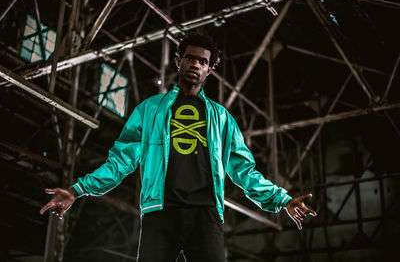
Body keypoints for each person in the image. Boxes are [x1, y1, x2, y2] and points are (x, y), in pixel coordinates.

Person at [40, 33, 317, 261]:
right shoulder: (150, 110)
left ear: (211, 68)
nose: (195, 64)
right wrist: (77, 190)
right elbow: (120, 161)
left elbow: (244, 171)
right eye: (190, 58)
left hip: (205, 214)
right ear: (178, 61)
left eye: (202, 61)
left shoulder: (221, 118)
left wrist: (282, 199)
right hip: (160, 213)